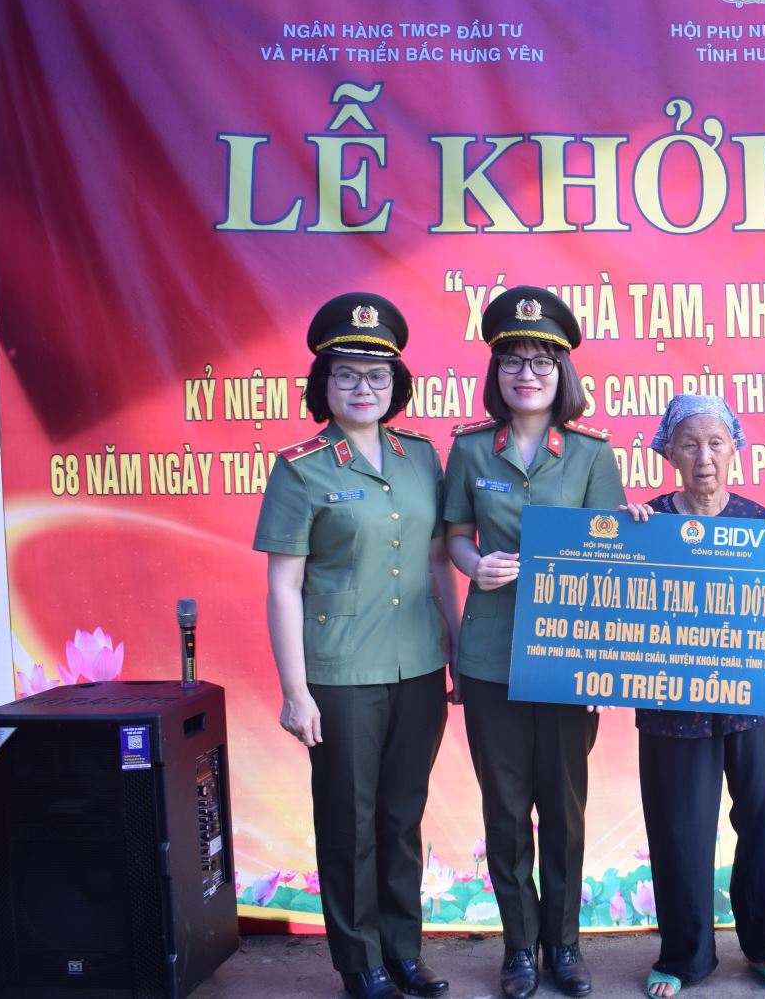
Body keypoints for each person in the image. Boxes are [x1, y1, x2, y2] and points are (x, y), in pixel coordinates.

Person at [254, 292, 459, 999]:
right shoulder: (301, 468)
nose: (363, 387)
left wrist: (457, 648)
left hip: (420, 666)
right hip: (340, 676)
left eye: (377, 375)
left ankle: (403, 952)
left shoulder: (421, 457)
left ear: (396, 383)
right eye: (346, 374)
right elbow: (283, 586)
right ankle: (360, 963)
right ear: (324, 383)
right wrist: (295, 691)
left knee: (401, 818)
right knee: (350, 821)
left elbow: (437, 560)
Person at [443, 286, 625, 999]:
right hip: (491, 653)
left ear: (562, 372)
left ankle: (565, 945)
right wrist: (474, 566)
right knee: (505, 807)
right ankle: (520, 948)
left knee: (564, 809)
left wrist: (600, 661)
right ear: (496, 370)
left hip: (566, 657)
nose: (527, 374)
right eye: (513, 360)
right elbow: (456, 536)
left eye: (542, 361)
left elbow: (610, 555)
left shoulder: (589, 454)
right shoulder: (468, 449)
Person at [627, 395, 765, 999]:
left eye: (715, 443)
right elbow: (615, 607)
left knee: (763, 819)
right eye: (689, 443)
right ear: (668, 452)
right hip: (670, 706)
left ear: (735, 448)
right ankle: (684, 956)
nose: (703, 457)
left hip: (749, 701)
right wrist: (623, 542)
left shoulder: (759, 523)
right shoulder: (647, 523)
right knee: (679, 828)